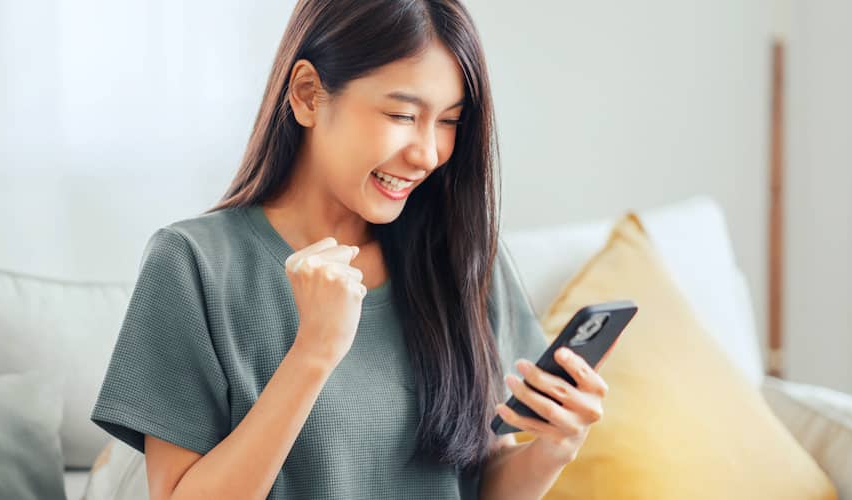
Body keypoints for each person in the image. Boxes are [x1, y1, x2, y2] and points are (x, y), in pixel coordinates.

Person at [90, 1, 609, 498]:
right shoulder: (192, 264)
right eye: (403, 115)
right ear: (309, 94)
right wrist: (313, 352)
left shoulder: (466, 262)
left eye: (449, 121)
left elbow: (473, 486)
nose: (428, 153)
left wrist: (554, 448)